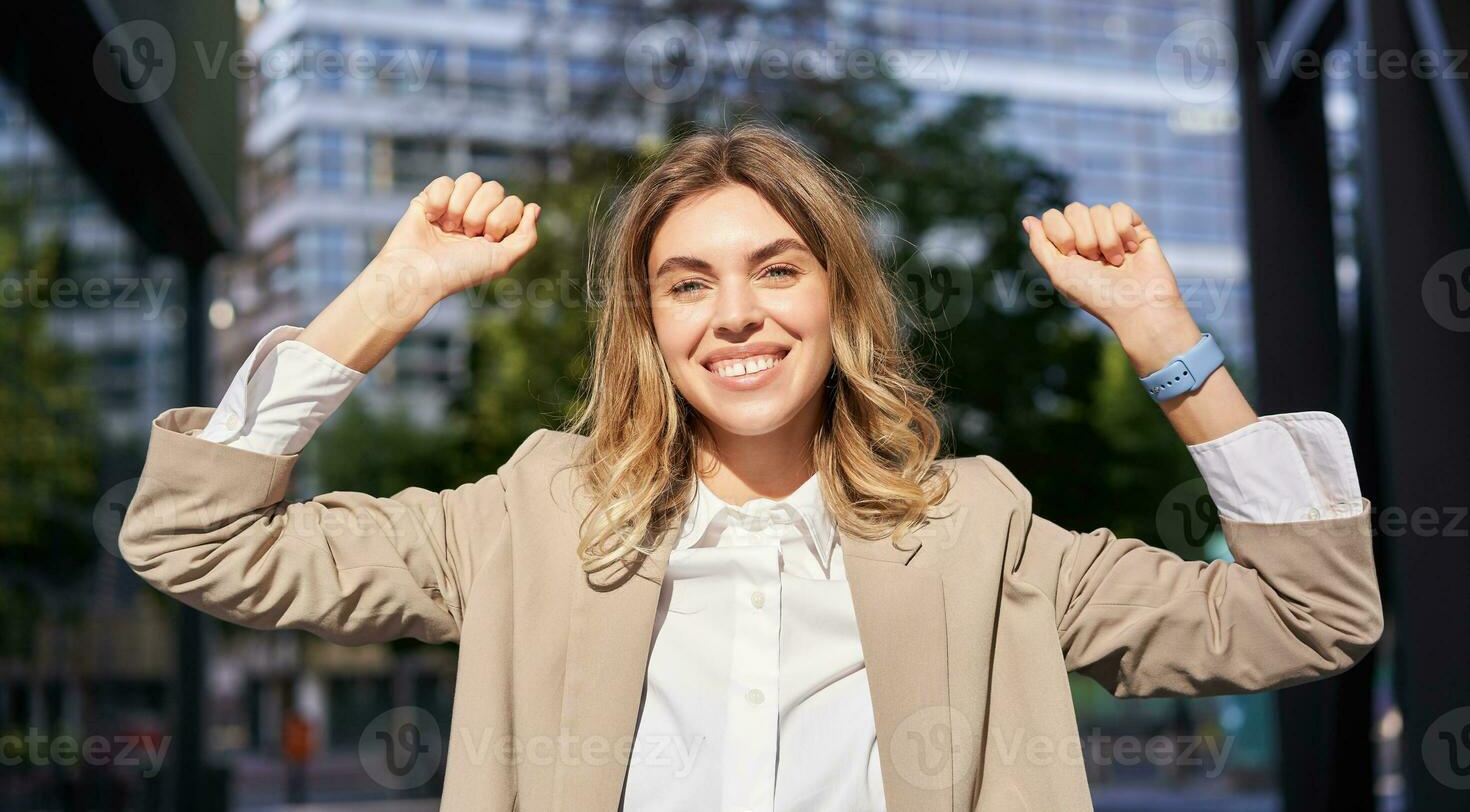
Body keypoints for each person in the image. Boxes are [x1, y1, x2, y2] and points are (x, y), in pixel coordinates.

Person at [120, 125, 1380, 811]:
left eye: (777, 268)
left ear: (839, 300)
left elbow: (1310, 614)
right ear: (651, 327)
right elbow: (195, 540)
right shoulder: (535, 516)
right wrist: (385, 297)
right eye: (687, 282)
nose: (735, 313)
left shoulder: (978, 530)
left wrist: (1164, 335)